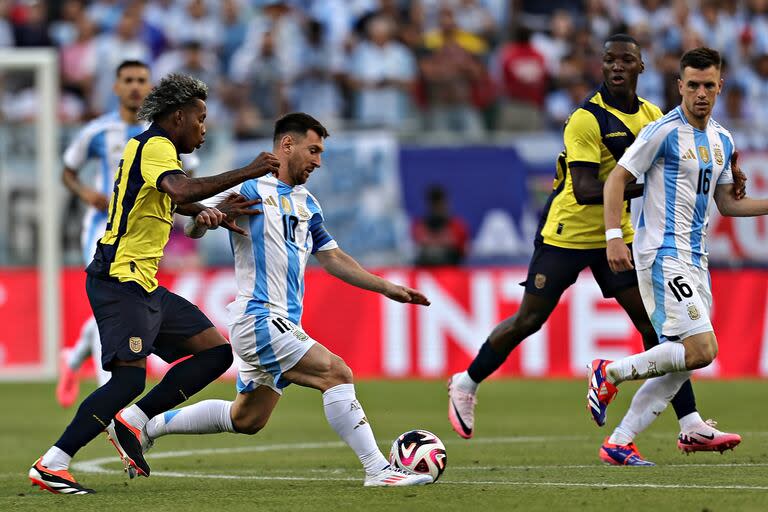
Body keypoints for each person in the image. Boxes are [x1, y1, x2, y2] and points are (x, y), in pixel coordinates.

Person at [447, 35, 746, 465]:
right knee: (529, 319)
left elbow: (680, 164)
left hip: (618, 234)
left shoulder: (651, 115)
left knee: (656, 326)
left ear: (642, 67)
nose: (617, 67)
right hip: (568, 232)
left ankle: (689, 422)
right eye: (609, 60)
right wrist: (665, 184)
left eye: (626, 60)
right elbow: (590, 188)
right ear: (602, 67)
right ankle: (467, 381)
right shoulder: (586, 119)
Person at [133, 112, 434, 487]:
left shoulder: (308, 204)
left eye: (321, 153)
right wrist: (208, 218)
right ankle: (378, 470)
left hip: (283, 322)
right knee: (336, 373)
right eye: (313, 150)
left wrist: (387, 287)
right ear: (286, 145)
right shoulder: (251, 189)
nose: (318, 161)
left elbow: (333, 258)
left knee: (247, 419)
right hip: (259, 317)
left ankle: (148, 425)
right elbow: (195, 225)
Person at [28, 73, 281, 494]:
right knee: (128, 380)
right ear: (178, 117)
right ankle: (52, 463)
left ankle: (135, 420)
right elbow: (180, 187)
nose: (204, 129)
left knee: (215, 353)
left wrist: (213, 211)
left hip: (142, 284)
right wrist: (249, 170)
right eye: (200, 119)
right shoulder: (155, 146)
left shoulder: (153, 150)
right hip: (119, 279)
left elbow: (178, 197)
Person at [591, 47, 767, 457]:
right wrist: (614, 235)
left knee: (686, 358)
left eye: (709, 85)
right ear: (680, 87)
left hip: (696, 256)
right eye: (693, 86)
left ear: (720, 86)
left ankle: (619, 441)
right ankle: (609, 371)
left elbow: (728, 204)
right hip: (661, 253)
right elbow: (616, 179)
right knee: (703, 349)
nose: (700, 93)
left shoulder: (722, 139)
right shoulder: (662, 131)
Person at [57, 60, 200, 408]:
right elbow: (68, 170)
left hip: (143, 230)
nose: (135, 86)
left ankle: (74, 358)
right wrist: (85, 194)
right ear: (116, 87)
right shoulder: (97, 131)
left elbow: (186, 178)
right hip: (102, 230)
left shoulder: (164, 136)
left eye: (141, 80)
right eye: (128, 80)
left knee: (110, 311)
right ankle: (113, 403)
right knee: (114, 306)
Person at [412, 184, 469, 266]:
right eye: (435, 204)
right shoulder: (420, 227)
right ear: (430, 205)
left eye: (440, 204)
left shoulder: (457, 226)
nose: (438, 208)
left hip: (452, 272)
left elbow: (464, 252)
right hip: (426, 272)